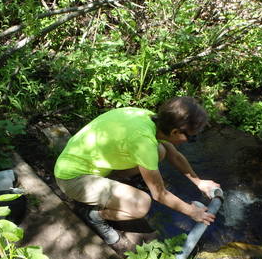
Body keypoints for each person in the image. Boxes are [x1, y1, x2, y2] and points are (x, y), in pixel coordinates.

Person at [54, 96, 221, 244]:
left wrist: (199, 182)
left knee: (161, 151)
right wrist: (192, 212)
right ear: (175, 131)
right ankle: (96, 216)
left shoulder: (147, 117)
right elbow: (160, 195)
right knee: (141, 204)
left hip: (87, 163)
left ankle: (118, 186)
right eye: (191, 137)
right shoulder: (143, 142)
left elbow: (174, 156)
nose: (190, 140)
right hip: (73, 179)